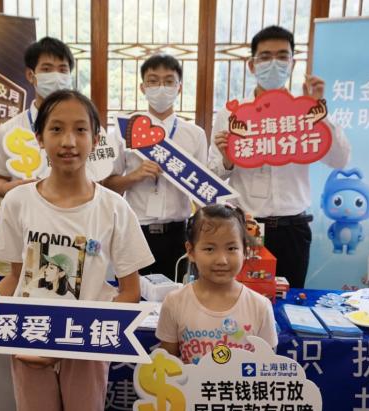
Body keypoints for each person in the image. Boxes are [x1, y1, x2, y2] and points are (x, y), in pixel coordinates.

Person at [0, 90, 154, 411]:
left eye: (80, 129)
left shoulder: (115, 208)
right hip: (29, 341)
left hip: (86, 349)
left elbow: (130, 292)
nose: (68, 141)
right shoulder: (18, 201)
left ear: (96, 139)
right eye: (56, 129)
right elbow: (14, 279)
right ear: (39, 138)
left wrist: (74, 343)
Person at [208, 25, 350, 288]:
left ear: (293, 64)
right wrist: (228, 159)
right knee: (240, 298)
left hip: (292, 226)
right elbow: (213, 173)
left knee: (290, 297)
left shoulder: (305, 110)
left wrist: (319, 110)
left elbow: (339, 160)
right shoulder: (231, 113)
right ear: (252, 65)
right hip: (245, 227)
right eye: (265, 57)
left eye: (282, 56)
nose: (274, 63)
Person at [103, 54, 208, 281]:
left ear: (179, 88)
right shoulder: (124, 131)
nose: (161, 87)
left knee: (175, 297)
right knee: (133, 295)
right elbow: (107, 186)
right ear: (142, 87)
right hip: (135, 231)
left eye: (169, 81)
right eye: (153, 81)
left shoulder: (195, 134)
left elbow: (202, 193)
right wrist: (134, 176)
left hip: (178, 234)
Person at [156, 204, 277, 365]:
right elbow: (167, 363)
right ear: (191, 251)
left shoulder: (260, 306)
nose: (222, 260)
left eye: (231, 248)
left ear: (245, 251)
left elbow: (268, 365)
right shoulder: (174, 302)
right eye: (209, 249)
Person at [0, 37, 75, 197]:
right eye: (47, 69)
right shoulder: (8, 130)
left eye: (63, 70)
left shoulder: (85, 128)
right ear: (30, 75)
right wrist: (10, 188)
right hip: (26, 210)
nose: (56, 76)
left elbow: (99, 175)